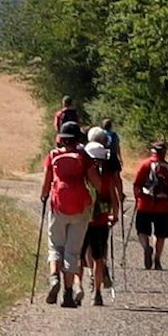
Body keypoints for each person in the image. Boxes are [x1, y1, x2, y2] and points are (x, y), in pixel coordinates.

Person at [40, 121, 98, 308]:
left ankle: (54, 278)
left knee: (55, 246)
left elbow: (45, 184)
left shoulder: (52, 155)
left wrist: (44, 197)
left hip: (59, 206)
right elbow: (97, 183)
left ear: (62, 139)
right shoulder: (84, 156)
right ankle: (67, 294)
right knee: (72, 252)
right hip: (80, 208)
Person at [81, 140, 123, 306]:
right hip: (102, 219)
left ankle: (79, 286)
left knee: (81, 254)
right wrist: (115, 216)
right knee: (99, 257)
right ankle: (97, 292)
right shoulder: (107, 176)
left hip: (84, 219)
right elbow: (114, 198)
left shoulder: (83, 174)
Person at [130, 141, 168, 270]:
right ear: (164, 153)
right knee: (161, 234)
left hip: (145, 204)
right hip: (163, 205)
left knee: (142, 231)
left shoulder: (145, 165)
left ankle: (146, 247)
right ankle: (157, 259)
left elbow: (137, 185)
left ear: (152, 151)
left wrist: (137, 199)